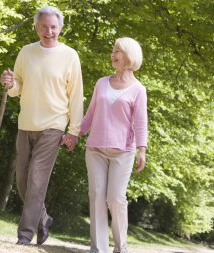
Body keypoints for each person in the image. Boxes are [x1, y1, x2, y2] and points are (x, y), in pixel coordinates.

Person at [0, 6, 84, 246]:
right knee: (23, 180)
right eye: (44, 27)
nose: (49, 31)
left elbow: (76, 96)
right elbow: (17, 88)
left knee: (37, 180)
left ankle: (25, 235)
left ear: (60, 28)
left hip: (53, 126)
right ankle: (43, 218)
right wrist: (8, 83)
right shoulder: (26, 52)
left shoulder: (70, 56)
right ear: (36, 27)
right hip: (26, 124)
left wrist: (73, 131)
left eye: (53, 27)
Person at [79, 37, 148, 253]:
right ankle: (98, 249)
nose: (112, 54)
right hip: (95, 149)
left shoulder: (138, 89)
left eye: (117, 50)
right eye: (112, 50)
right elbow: (90, 115)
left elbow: (141, 121)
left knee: (115, 198)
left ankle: (120, 247)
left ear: (130, 56)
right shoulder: (101, 82)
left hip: (123, 152)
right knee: (97, 197)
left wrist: (142, 150)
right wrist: (74, 134)